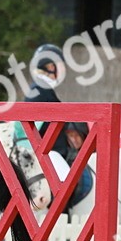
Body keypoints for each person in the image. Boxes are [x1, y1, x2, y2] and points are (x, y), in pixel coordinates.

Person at [23, 43, 91, 209]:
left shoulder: (41, 89)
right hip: (47, 151)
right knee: (66, 181)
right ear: (50, 66)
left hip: (48, 149)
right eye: (59, 66)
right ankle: (60, 216)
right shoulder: (41, 91)